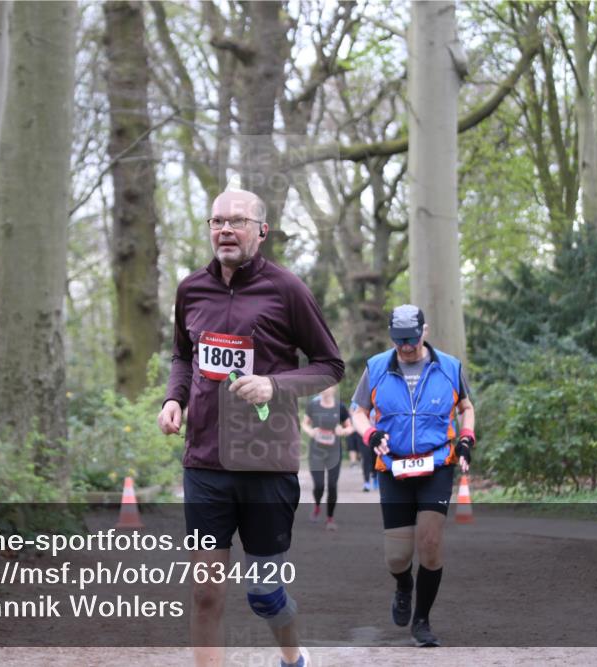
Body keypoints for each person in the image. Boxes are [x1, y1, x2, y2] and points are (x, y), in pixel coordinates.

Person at [157, 188, 345, 667]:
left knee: (264, 593)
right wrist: (173, 399)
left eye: (237, 221)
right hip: (205, 460)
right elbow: (184, 354)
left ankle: (291, 657)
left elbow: (329, 365)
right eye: (217, 221)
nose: (225, 230)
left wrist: (274, 385)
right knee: (204, 593)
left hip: (265, 462)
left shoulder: (288, 289)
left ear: (261, 231)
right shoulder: (191, 289)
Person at [349, 305, 475, 648]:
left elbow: (466, 407)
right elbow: (357, 410)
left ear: (425, 331)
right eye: (400, 340)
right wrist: (370, 434)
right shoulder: (377, 367)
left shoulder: (448, 367)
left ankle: (422, 621)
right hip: (393, 467)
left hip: (437, 464)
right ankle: (403, 585)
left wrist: (466, 438)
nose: (406, 347)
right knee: (396, 557)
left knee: (431, 544)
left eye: (412, 339)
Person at [300, 385, 353, 530]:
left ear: (334, 388)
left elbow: (350, 427)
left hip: (334, 452)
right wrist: (310, 431)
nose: (325, 389)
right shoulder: (313, 405)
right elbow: (304, 424)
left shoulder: (340, 407)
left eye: (328, 386)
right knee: (319, 485)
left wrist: (342, 431)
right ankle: (317, 506)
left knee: (332, 485)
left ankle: (330, 518)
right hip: (316, 451)